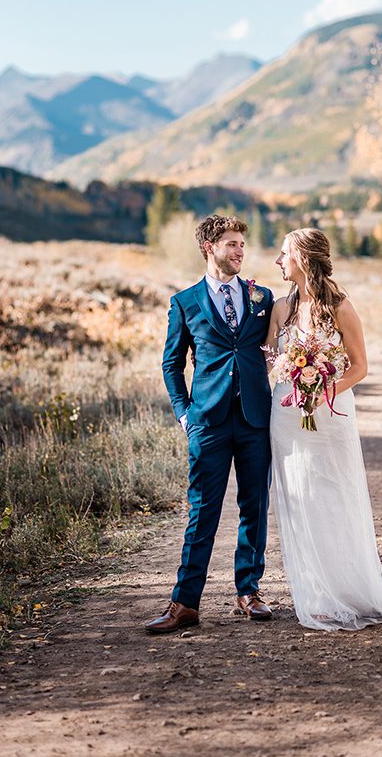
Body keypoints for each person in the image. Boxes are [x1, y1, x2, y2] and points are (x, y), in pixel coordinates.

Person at [266, 228, 382, 630]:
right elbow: (269, 360)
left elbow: (359, 366)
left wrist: (321, 390)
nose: (278, 261)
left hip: (331, 412)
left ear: (302, 258)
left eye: (284, 254)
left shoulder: (340, 307)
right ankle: (315, 592)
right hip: (285, 415)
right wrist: (289, 374)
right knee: (299, 500)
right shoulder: (281, 309)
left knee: (334, 495)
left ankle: (349, 589)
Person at [149, 215, 275, 633]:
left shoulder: (263, 297)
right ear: (209, 247)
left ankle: (249, 593)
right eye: (232, 244)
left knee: (254, 507)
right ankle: (185, 603)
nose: (240, 251)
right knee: (202, 510)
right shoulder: (185, 302)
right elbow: (171, 364)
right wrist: (184, 413)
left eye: (242, 244)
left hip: (256, 419)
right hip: (208, 422)